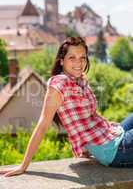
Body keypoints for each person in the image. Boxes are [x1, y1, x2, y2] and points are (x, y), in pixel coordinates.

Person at [0, 37, 133, 177]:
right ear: (62, 61)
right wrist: (23, 165)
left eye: (82, 57)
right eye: (72, 57)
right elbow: (42, 125)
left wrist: (99, 134)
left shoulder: (79, 80)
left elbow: (86, 118)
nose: (79, 62)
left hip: (108, 135)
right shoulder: (58, 84)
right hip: (115, 150)